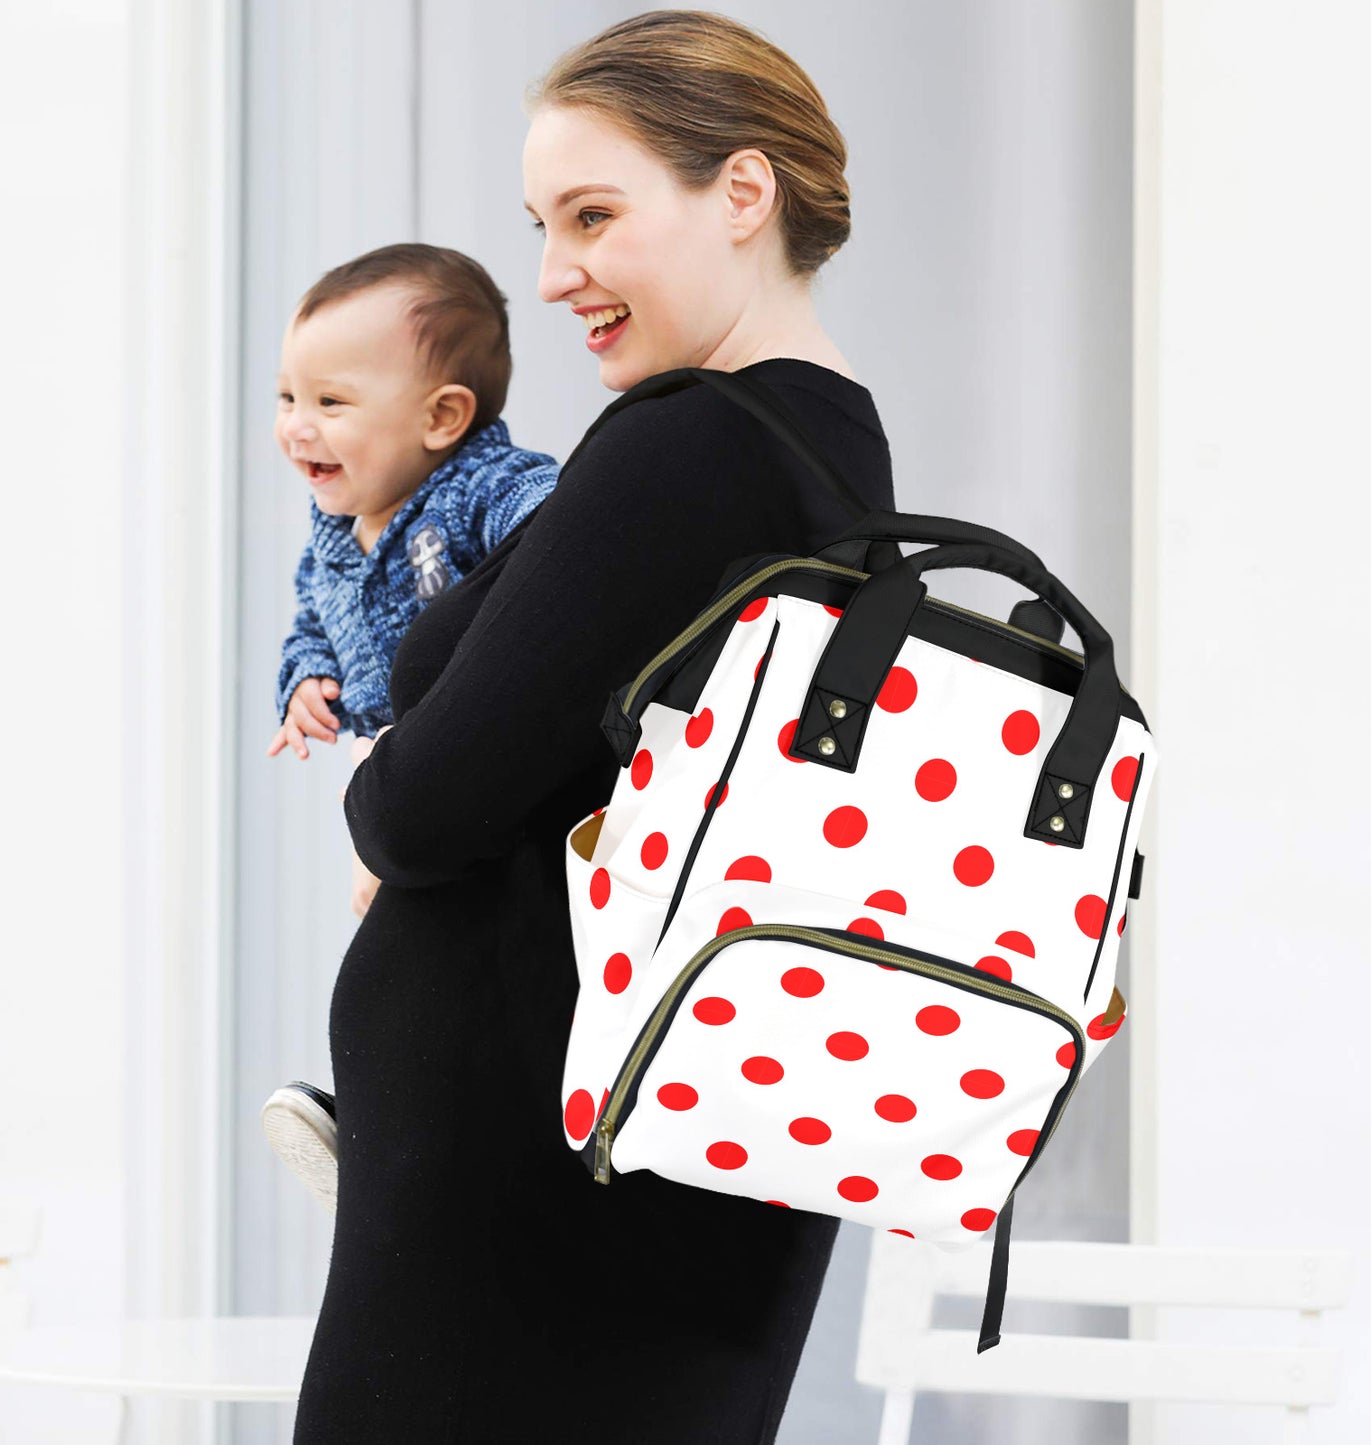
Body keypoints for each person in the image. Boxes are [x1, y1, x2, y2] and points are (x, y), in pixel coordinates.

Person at [291, 11, 896, 1442]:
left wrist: (379, 783)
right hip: (647, 1198)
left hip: (529, 1235)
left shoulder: (695, 443)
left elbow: (432, 803)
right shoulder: (834, 450)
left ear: (742, 193)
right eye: (543, 224)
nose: (555, 274)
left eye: (595, 215)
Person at [261, 245, 558, 1207]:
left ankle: (411, 1125)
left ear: (443, 418)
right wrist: (305, 678)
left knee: (441, 944)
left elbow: (556, 519)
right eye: (286, 397)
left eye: (330, 403)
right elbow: (313, 615)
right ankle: (388, 1122)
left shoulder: (475, 486)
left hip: (465, 762)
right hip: (386, 771)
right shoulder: (333, 524)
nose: (296, 427)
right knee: (402, 940)